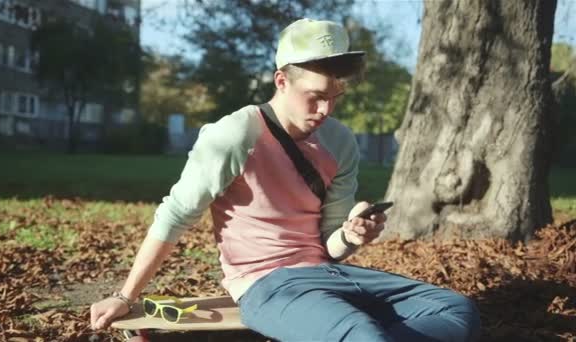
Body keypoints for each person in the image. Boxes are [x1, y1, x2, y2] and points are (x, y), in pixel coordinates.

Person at [90, 18, 481, 341]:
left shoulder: (340, 142)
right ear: (281, 81)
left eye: (335, 96)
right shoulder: (235, 134)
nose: (326, 109)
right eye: (314, 96)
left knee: (456, 310)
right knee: (365, 335)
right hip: (267, 284)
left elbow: (330, 244)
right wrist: (125, 296)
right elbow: (175, 216)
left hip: (333, 275)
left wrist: (351, 234)